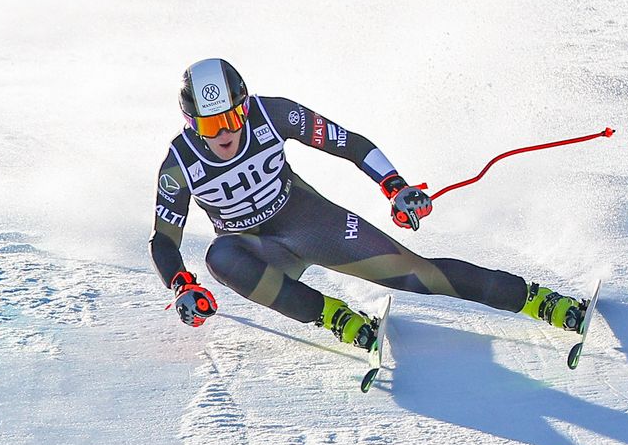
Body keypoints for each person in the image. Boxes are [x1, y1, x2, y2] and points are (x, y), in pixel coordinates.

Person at [149, 58, 587, 351]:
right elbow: (164, 240)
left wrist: (394, 185)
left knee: (418, 275)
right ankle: (333, 317)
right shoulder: (179, 164)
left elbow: (349, 143)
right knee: (218, 255)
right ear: (191, 124)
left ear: (246, 107)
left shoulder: (274, 113)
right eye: (211, 125)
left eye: (233, 118)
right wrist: (180, 285)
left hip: (306, 220)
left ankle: (535, 300)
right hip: (256, 252)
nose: (226, 134)